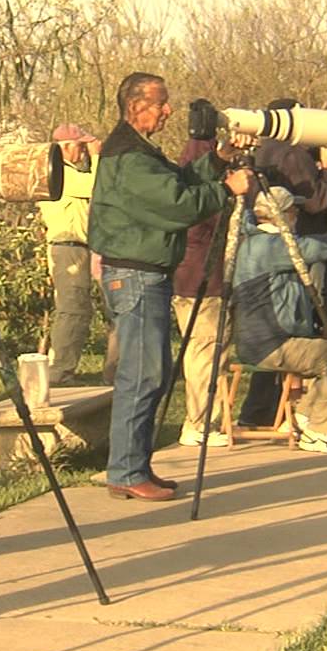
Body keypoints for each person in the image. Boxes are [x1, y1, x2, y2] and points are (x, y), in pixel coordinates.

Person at [88, 72, 253, 501]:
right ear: (134, 106)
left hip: (146, 274)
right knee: (143, 374)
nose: (169, 110)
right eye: (161, 103)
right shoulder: (128, 158)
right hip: (137, 276)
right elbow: (177, 205)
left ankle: (134, 465)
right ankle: (125, 471)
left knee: (151, 373)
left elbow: (177, 182)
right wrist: (226, 189)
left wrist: (217, 160)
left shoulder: (139, 152)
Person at [230, 186, 327, 454]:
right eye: (294, 210)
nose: (298, 215)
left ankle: (304, 416)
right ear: (282, 214)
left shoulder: (258, 242)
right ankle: (317, 430)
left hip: (270, 338)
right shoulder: (269, 246)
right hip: (269, 344)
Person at [238, 97, 327, 429]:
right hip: (299, 245)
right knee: (300, 327)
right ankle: (296, 414)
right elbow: (315, 202)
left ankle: (266, 411)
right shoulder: (291, 152)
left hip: (273, 244)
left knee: (280, 327)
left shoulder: (266, 150)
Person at [170, 136, 231, 448]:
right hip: (201, 278)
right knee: (205, 350)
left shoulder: (185, 168)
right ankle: (197, 421)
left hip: (189, 276)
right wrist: (228, 190)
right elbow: (201, 219)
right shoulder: (198, 174)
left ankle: (203, 419)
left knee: (204, 349)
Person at [38, 123, 102, 385]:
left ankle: (64, 370)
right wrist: (98, 157)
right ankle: (59, 373)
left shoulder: (70, 172)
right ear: (67, 148)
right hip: (68, 249)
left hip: (77, 248)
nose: (84, 152)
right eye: (81, 146)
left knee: (78, 310)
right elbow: (96, 187)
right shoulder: (60, 174)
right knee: (71, 310)